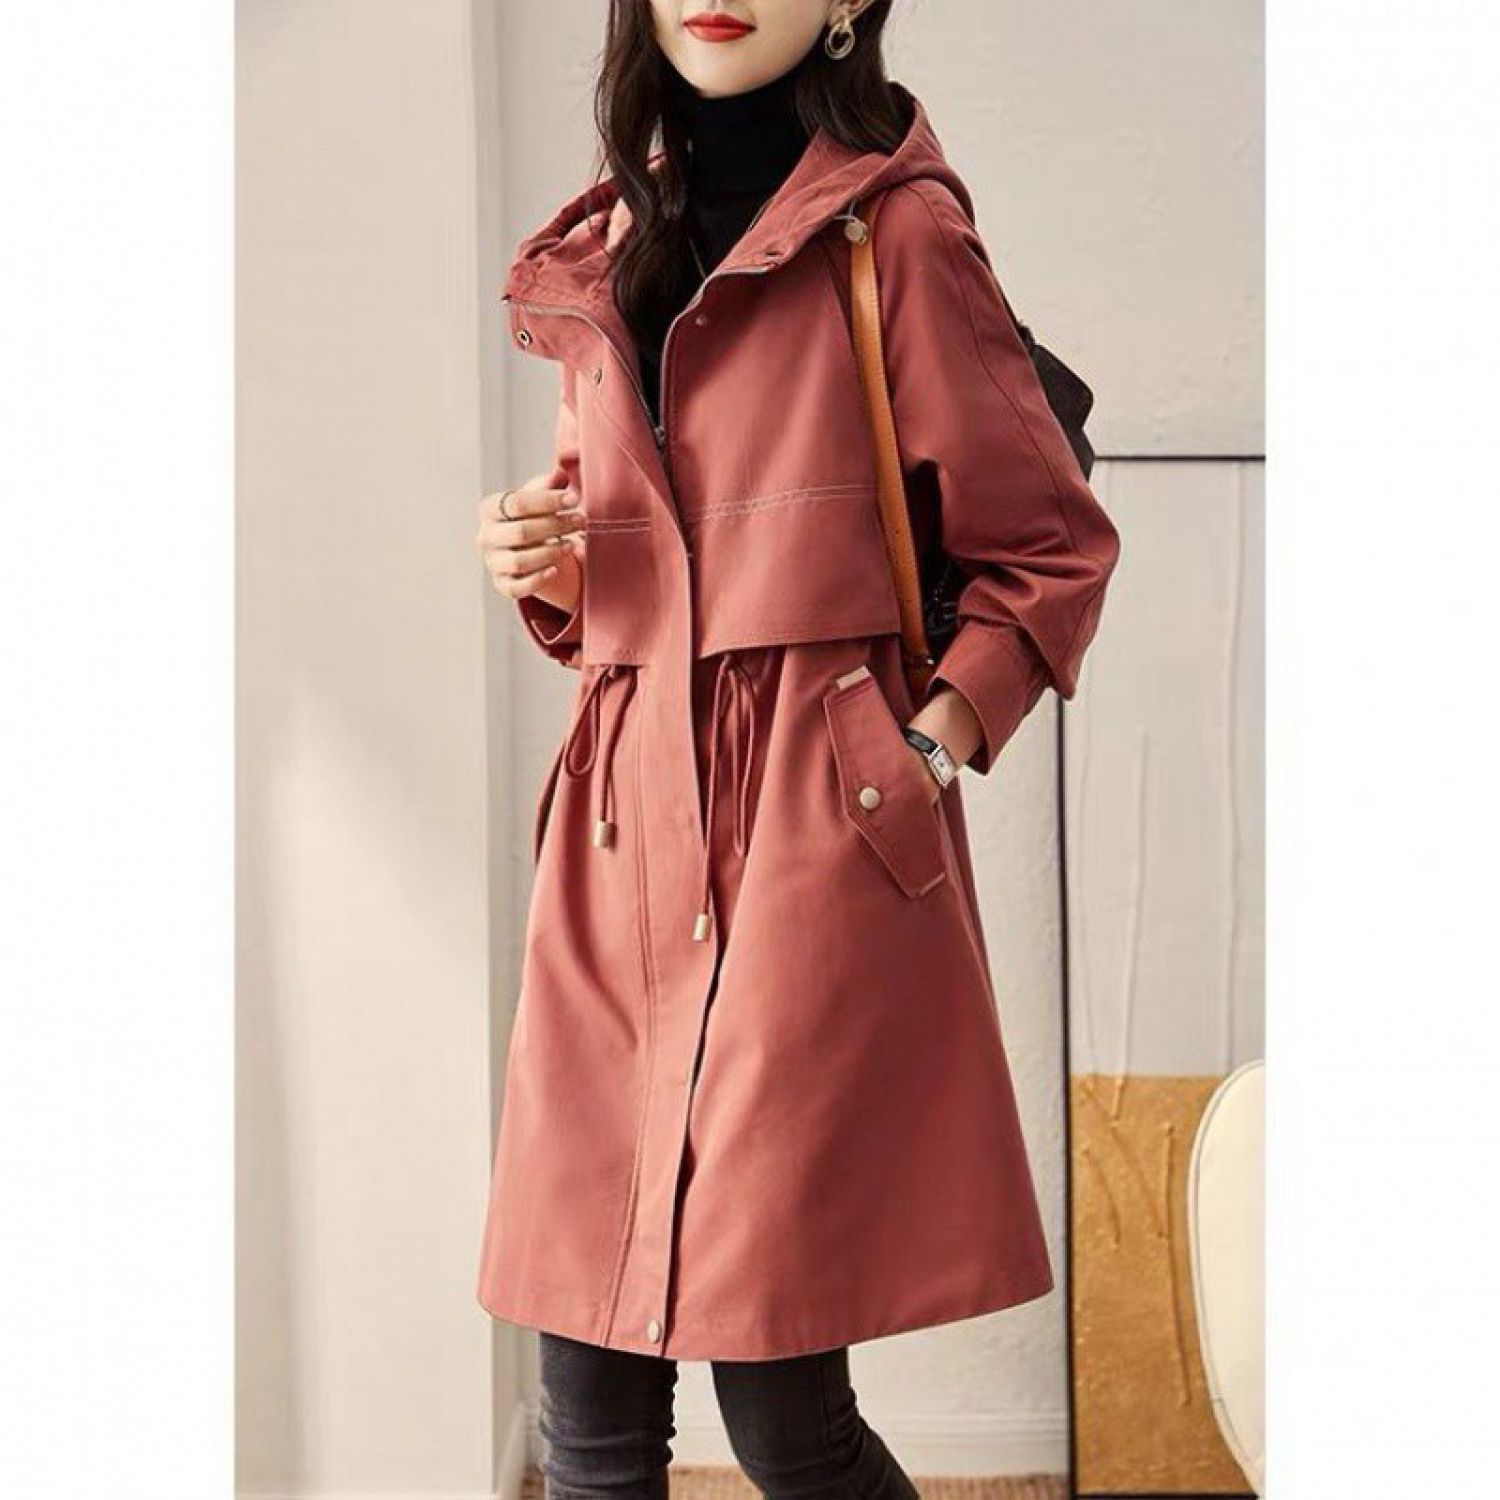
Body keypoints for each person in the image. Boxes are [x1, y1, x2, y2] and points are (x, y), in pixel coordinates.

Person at [472, 3, 1121, 1495]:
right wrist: (542, 563)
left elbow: (1050, 549)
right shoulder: (613, 239)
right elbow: (616, 562)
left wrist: (921, 755)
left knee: (781, 1407)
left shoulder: (896, 232)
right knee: (586, 1407)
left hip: (805, 836)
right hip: (620, 845)